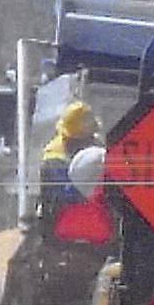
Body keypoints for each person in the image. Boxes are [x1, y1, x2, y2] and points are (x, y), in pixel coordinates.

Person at [38, 102, 115, 247]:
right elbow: (72, 196)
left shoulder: (93, 147)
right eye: (89, 136)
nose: (93, 138)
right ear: (78, 139)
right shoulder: (55, 160)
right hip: (64, 227)